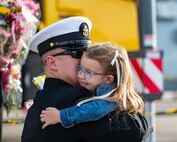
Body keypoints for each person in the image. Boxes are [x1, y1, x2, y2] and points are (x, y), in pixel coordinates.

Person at [21, 16, 150, 142]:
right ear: (52, 63)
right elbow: (136, 129)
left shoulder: (40, 101)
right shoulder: (76, 100)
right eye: (77, 53)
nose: (85, 59)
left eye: (87, 51)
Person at [40, 42, 144, 130]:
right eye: (80, 68)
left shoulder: (108, 95)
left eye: (88, 73)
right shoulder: (107, 87)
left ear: (108, 79)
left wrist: (61, 116)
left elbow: (94, 110)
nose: (81, 75)